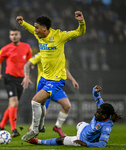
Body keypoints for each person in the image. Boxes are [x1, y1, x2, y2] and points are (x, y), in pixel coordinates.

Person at [16, 11, 86, 141]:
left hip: (56, 80)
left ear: (44, 28)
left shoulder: (59, 36)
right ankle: (41, 126)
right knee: (41, 105)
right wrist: (23, 23)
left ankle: (35, 129)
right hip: (44, 79)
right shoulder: (39, 36)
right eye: (35, 27)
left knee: (35, 101)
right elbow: (31, 29)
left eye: (37, 27)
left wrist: (81, 22)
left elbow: (79, 32)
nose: (35, 30)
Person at [27, 85, 122, 147]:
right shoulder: (102, 108)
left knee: (61, 140)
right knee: (79, 124)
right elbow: (97, 97)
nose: (95, 113)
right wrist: (95, 91)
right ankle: (86, 132)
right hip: (85, 128)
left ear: (104, 115)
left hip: (82, 140)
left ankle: (38, 142)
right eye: (97, 111)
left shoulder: (107, 127)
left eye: (98, 113)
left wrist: (85, 144)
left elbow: (102, 144)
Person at [22, 52, 79, 137]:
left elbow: (63, 69)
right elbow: (27, 64)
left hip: (55, 85)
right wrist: (26, 76)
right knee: (43, 112)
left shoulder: (56, 55)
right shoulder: (41, 55)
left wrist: (72, 80)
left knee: (67, 106)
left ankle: (58, 126)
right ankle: (32, 128)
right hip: (44, 87)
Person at [0, 28, 32, 137]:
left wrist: (30, 68)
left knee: (12, 104)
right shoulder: (6, 49)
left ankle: (1, 125)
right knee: (14, 103)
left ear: (19, 36)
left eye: (16, 34)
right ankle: (13, 129)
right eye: (12, 35)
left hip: (20, 80)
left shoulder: (26, 47)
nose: (14, 36)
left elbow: (29, 61)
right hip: (9, 78)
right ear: (9, 36)